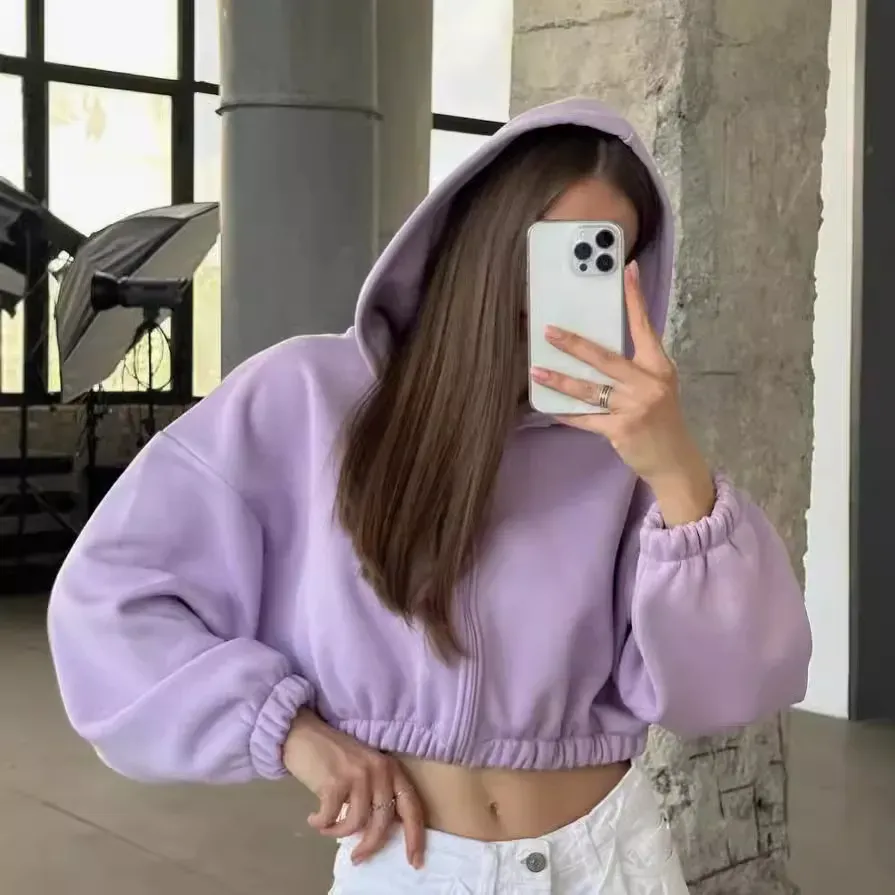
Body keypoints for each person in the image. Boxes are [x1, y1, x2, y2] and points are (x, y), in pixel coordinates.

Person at [47, 98, 812, 894]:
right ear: (478, 237)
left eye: (597, 258)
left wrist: (676, 472)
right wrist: (289, 729)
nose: (559, 289)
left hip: (609, 860)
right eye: (546, 250)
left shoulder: (627, 443)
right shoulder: (304, 395)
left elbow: (732, 687)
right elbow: (108, 601)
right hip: (410, 865)